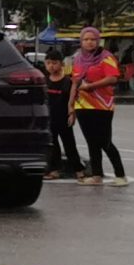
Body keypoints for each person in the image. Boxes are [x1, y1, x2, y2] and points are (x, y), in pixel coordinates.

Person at [69, 26, 127, 186]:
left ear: (98, 40)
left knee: (104, 141)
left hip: (102, 105)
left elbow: (113, 78)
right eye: (86, 39)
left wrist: (91, 86)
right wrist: (71, 105)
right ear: (81, 41)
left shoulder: (106, 57)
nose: (89, 42)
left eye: (93, 39)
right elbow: (75, 82)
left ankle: (120, 175)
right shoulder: (78, 59)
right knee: (91, 141)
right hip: (82, 105)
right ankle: (96, 175)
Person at [42, 51, 79, 179]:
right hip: (49, 119)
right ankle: (54, 170)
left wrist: (72, 114)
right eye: (48, 63)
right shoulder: (44, 81)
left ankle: (78, 169)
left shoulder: (68, 82)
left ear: (61, 64)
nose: (51, 66)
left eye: (54, 63)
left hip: (63, 118)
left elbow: (72, 100)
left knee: (69, 144)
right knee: (53, 145)